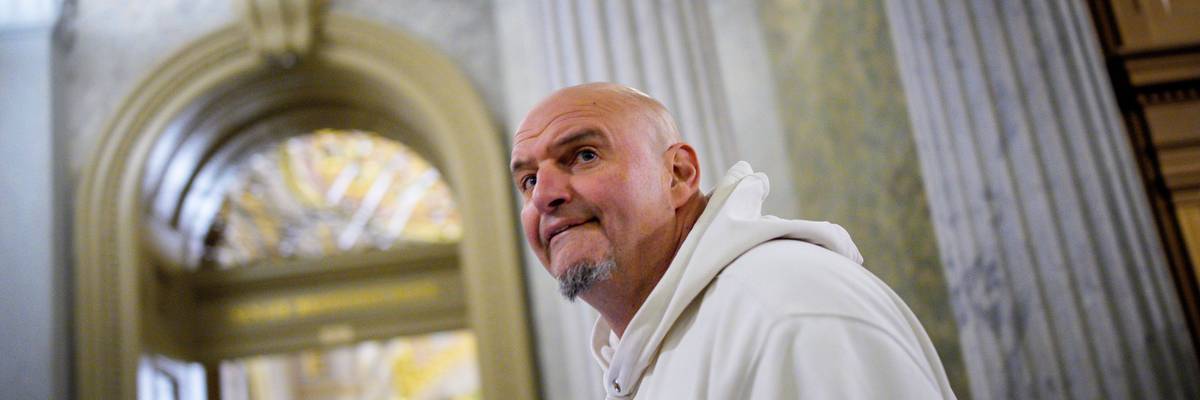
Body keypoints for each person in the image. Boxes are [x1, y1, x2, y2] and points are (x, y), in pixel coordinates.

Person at [510, 82, 956, 399]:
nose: (545, 196)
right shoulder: (654, 349)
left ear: (678, 175)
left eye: (584, 155)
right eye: (528, 181)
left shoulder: (785, 310)